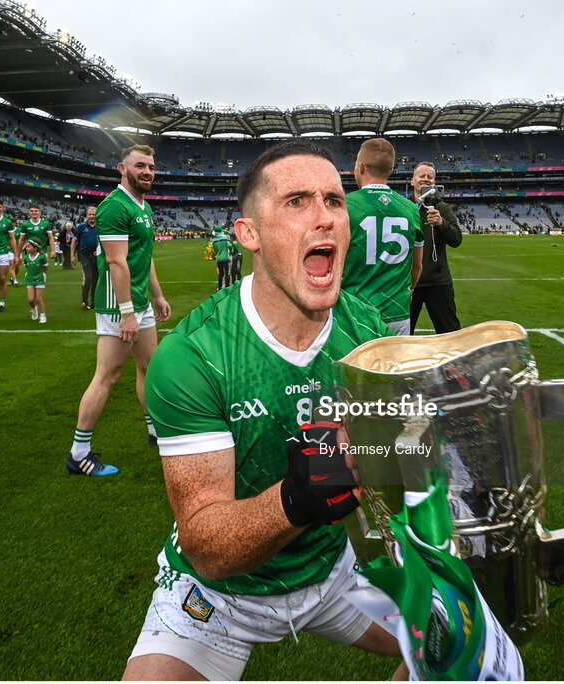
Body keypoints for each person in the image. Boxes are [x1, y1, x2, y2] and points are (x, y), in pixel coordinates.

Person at [123, 140, 401, 682]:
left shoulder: (366, 333)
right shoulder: (193, 355)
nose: (323, 217)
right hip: (217, 599)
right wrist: (297, 496)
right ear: (248, 233)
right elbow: (206, 545)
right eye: (297, 202)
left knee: (465, 646)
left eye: (335, 201)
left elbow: (398, 465)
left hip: (334, 574)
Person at [67, 145, 171, 477]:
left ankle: (156, 431)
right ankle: (78, 453)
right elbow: (115, 261)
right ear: (122, 169)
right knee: (108, 376)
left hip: (139, 302)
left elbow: (145, 256)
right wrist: (126, 312)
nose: (147, 172)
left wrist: (158, 296)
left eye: (151, 167)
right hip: (118, 303)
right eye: (140, 166)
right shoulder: (114, 206)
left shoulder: (143, 206)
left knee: (149, 368)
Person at [341, 138, 423, 335]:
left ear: (360, 167)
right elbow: (417, 265)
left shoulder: (345, 205)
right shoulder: (411, 209)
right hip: (398, 312)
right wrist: (408, 292)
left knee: (354, 366)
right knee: (395, 366)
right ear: (390, 170)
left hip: (355, 312)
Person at [408, 161, 463, 334]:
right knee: (402, 333)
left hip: (438, 281)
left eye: (429, 177)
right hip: (409, 282)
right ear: (412, 181)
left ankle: (455, 362)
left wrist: (441, 223)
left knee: (450, 332)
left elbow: (456, 240)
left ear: (434, 182)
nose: (425, 179)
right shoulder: (402, 207)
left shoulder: (442, 208)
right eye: (421, 176)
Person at [71, 208, 98, 310]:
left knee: (96, 279)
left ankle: (94, 301)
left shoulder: (100, 227)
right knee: (88, 278)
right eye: (89, 214)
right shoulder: (81, 227)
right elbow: (74, 241)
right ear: (86, 215)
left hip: (97, 256)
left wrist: (100, 251)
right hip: (85, 256)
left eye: (93, 214)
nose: (91, 216)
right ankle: (84, 301)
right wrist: (72, 256)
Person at [23, 238, 49, 323]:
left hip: (39, 278)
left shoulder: (41, 257)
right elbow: (27, 267)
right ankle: (34, 309)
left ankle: (42, 315)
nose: (27, 248)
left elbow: (46, 267)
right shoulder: (26, 257)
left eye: (29, 247)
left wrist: (41, 274)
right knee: (31, 300)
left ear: (35, 248)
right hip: (30, 279)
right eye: (26, 247)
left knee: (38, 298)